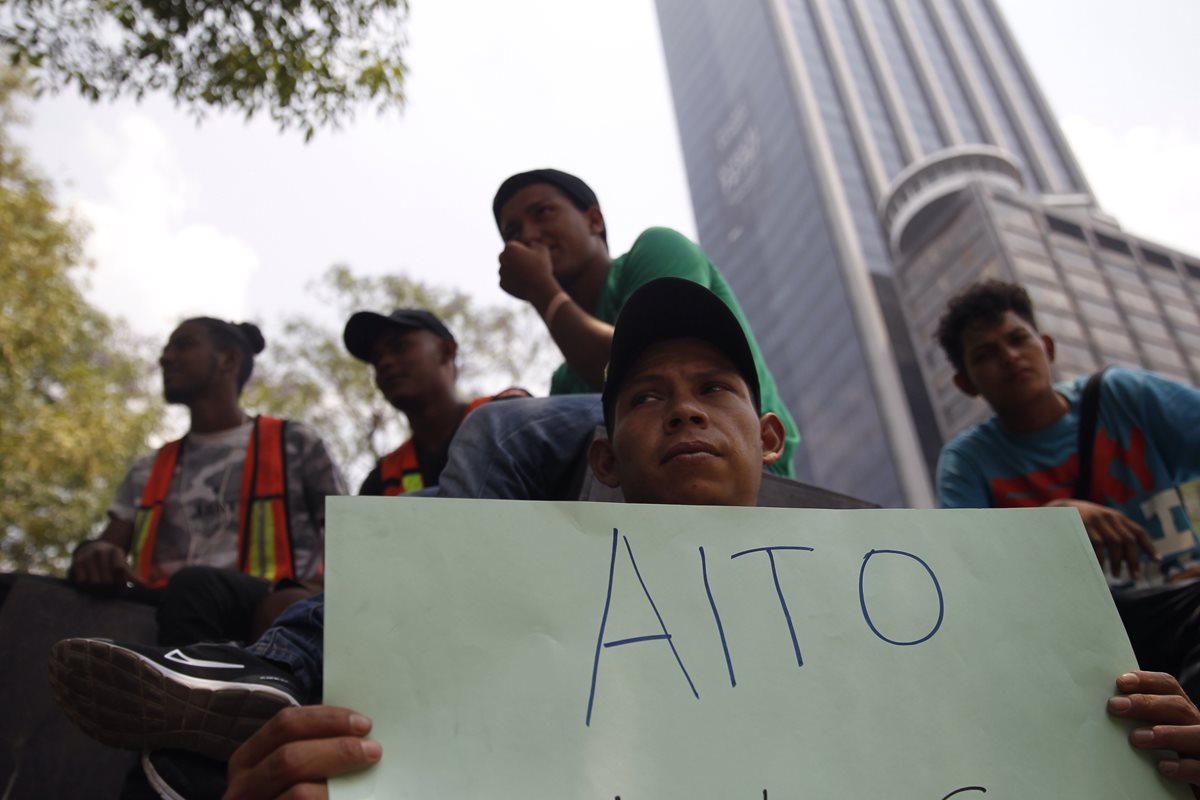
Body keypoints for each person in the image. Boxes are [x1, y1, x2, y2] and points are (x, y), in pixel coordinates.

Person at [48, 278, 786, 798]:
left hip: (462, 635)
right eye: (377, 357)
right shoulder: (384, 483)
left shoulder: (515, 420)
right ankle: (229, 708)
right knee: (203, 596)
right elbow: (354, 566)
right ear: (609, 453)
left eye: (406, 344)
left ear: (449, 353)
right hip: (361, 630)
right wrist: (317, 604)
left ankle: (271, 674)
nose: (389, 362)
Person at [434, 168, 799, 500]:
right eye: (512, 233)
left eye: (542, 212)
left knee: (500, 429)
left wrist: (541, 290)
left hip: (752, 470)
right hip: (635, 494)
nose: (527, 235)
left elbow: (660, 373)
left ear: (594, 220)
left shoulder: (657, 249)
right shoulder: (566, 378)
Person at [934, 280, 1200, 700]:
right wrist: (1057, 519)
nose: (1010, 357)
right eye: (986, 354)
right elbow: (967, 571)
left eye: (1018, 339)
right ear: (966, 384)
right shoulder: (967, 463)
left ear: (1047, 346)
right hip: (1081, 636)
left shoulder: (1123, 396)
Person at [68, 317, 345, 646]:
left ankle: (192, 688)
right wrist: (92, 552)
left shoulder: (294, 444)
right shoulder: (149, 468)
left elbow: (350, 538)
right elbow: (109, 545)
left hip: (263, 600)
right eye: (166, 349)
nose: (165, 358)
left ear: (228, 359)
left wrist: (317, 593)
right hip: (163, 603)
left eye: (183, 346)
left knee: (194, 586)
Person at [343, 308, 528, 496]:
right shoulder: (384, 479)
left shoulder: (509, 417)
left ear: (446, 351)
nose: (384, 362)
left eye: (399, 347)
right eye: (376, 358)